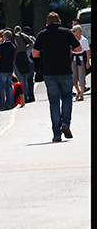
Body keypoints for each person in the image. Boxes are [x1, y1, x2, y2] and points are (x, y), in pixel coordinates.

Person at [32, 12, 81, 142]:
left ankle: (56, 134)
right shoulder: (66, 32)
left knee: (54, 103)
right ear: (59, 22)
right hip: (65, 70)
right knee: (67, 98)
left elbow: (34, 54)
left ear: (47, 23)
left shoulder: (42, 34)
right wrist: (69, 48)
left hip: (49, 73)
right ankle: (65, 123)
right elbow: (79, 48)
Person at [0, 29, 17, 110]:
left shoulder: (2, 46)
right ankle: (10, 103)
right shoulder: (13, 46)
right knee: (9, 87)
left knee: (1, 87)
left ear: (4, 36)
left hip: (3, 68)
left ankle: (2, 104)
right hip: (10, 68)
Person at [71, 25, 90, 101]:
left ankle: (82, 94)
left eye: (74, 31)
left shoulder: (83, 40)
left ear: (78, 32)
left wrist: (88, 62)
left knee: (81, 76)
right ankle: (78, 91)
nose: (73, 32)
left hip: (81, 59)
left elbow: (87, 51)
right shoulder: (72, 39)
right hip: (74, 59)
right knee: (74, 77)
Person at [21, 27, 37, 102]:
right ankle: (31, 95)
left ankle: (28, 95)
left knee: (27, 79)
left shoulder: (28, 39)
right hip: (31, 60)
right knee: (30, 79)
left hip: (27, 60)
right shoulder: (33, 39)